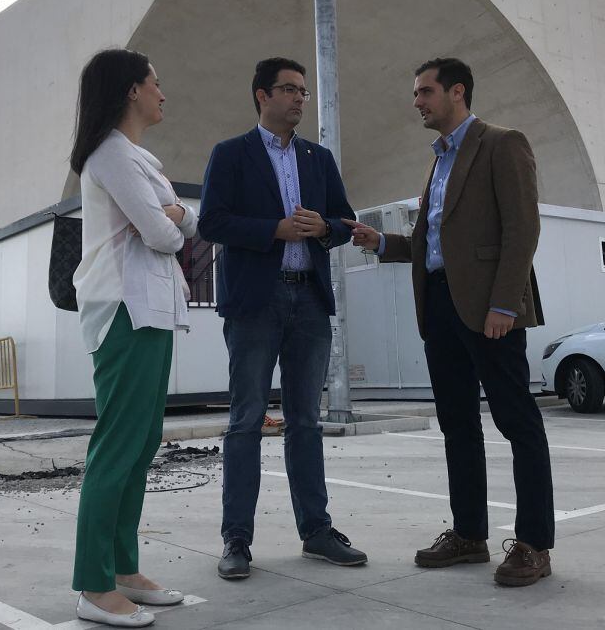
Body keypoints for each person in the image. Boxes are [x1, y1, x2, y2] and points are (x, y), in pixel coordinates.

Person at [343, 57, 555, 587]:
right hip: (439, 307)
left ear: (457, 91)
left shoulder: (502, 143)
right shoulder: (438, 160)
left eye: (425, 92)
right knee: (457, 425)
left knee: (517, 423)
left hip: (490, 310)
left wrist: (504, 305)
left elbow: (521, 229)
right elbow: (433, 243)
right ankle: (469, 535)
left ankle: (534, 543)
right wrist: (383, 243)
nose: (418, 102)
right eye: (417, 94)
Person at [199, 56, 367, 579]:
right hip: (255, 303)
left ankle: (316, 531)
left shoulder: (318, 159)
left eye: (303, 92)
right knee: (246, 420)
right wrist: (275, 230)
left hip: (309, 302)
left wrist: (324, 228)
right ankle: (237, 541)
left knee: (306, 423)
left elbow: (346, 221)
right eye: (289, 90)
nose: (298, 99)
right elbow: (212, 221)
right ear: (261, 96)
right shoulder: (230, 154)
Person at [69, 49, 195, 626]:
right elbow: (164, 234)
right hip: (123, 309)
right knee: (118, 446)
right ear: (130, 92)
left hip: (151, 310)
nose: (163, 94)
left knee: (141, 443)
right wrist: (170, 215)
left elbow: (184, 221)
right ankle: (94, 585)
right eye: (156, 82)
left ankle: (123, 569)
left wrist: (170, 214)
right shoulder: (112, 156)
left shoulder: (141, 158)